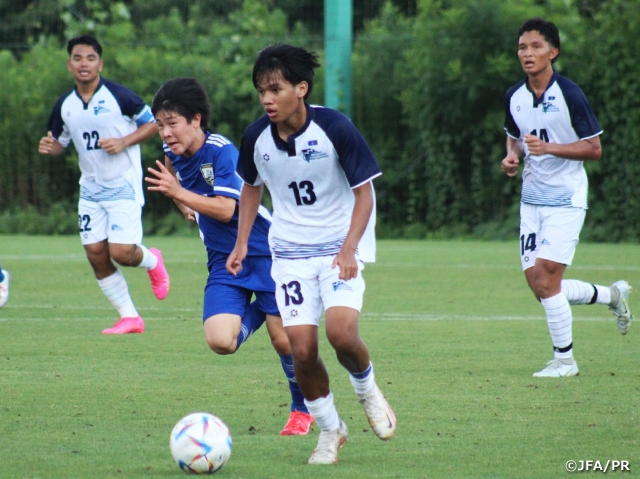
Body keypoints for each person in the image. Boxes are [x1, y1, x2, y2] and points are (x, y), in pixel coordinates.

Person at [226, 43, 396, 465]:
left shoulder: (335, 127)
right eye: (261, 90)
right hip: (290, 256)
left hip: (339, 250)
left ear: (300, 89)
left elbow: (364, 193)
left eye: (276, 89)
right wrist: (243, 242)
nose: (267, 98)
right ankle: (330, 430)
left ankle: (368, 390)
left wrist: (349, 248)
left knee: (341, 334)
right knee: (300, 349)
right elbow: (250, 187)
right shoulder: (255, 138)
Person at [145, 78, 313, 436]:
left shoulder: (222, 151)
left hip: (265, 251)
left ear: (196, 119)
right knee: (221, 341)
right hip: (222, 259)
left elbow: (224, 209)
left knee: (283, 340)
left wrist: (180, 194)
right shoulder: (173, 152)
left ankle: (301, 409)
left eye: (172, 123)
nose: (166, 133)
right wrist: (182, 202)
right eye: (160, 125)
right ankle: (264, 312)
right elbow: (172, 177)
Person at [501, 18, 632, 378]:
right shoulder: (514, 96)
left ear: (553, 52)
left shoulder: (569, 94)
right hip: (532, 200)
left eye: (536, 47)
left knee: (546, 280)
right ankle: (611, 297)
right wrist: (512, 156)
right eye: (522, 47)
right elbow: (513, 135)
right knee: (541, 287)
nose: (527, 53)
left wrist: (549, 148)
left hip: (567, 198)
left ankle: (565, 361)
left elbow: (594, 149)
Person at [38, 35, 169, 335]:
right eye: (78, 58)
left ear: (101, 63)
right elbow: (60, 143)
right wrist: (51, 147)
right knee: (96, 253)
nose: (84, 64)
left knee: (121, 252)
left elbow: (152, 124)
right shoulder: (64, 105)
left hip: (123, 184)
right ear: (69, 64)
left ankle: (152, 261)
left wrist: (123, 141)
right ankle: (130, 317)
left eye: (90, 58)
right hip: (91, 189)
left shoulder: (119, 96)